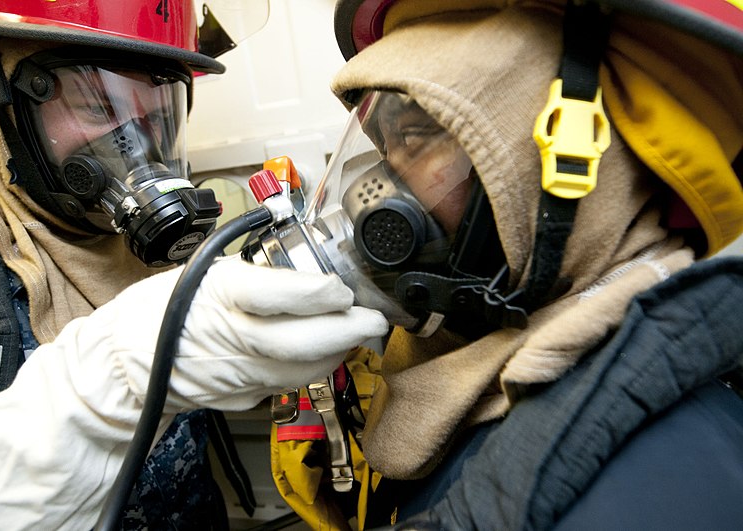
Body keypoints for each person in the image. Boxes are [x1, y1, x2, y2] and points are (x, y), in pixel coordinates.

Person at [267, 0, 743, 529]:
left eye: (417, 136)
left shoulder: (653, 491)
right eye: (386, 144)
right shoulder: (470, 370)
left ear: (573, 168)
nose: (368, 194)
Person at [0, 1, 388, 529]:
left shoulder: (141, 248)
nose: (138, 146)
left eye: (157, 116)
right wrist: (107, 380)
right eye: (97, 106)